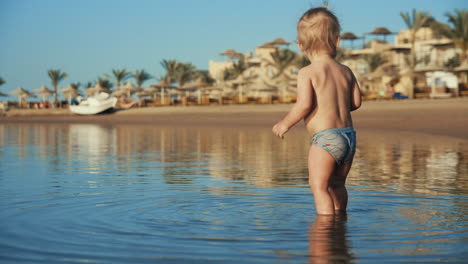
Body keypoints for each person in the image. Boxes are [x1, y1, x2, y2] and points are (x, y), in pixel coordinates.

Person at [272, 6, 362, 215]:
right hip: (348, 138)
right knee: (338, 185)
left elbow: (303, 105)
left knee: (318, 186)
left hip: (326, 139)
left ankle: (326, 227)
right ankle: (340, 220)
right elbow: (356, 102)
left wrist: (285, 123)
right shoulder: (346, 71)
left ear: (301, 45)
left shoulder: (307, 72)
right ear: (337, 40)